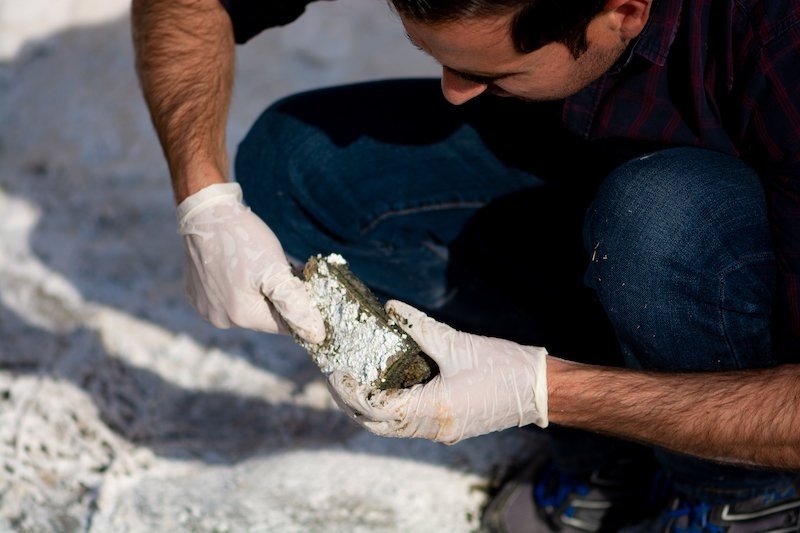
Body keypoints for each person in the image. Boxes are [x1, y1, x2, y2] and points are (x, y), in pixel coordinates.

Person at [131, 0, 800, 530]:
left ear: (622, 10)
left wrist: (543, 389)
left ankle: (740, 497)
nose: (454, 92)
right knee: (294, 167)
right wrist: (204, 199)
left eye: (490, 72)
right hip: (600, 150)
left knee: (659, 218)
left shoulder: (780, 40)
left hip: (743, 250)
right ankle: (619, 450)